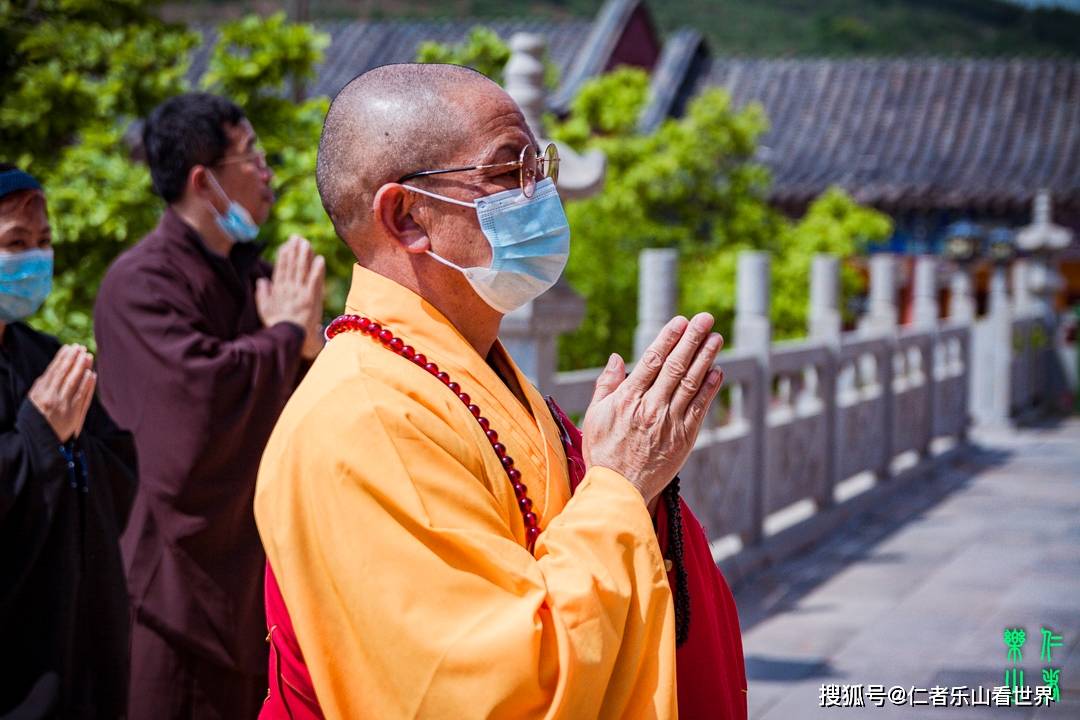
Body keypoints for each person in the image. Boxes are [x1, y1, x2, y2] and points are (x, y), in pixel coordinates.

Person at [255, 64, 746, 719]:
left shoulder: (477, 380)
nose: (541, 195)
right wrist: (620, 486)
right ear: (405, 216)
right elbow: (487, 693)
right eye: (509, 172)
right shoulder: (364, 417)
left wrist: (633, 484)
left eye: (539, 168)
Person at [93, 93, 326, 719]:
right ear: (204, 180)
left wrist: (303, 346)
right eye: (252, 157)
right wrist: (283, 338)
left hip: (259, 575)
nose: (269, 172)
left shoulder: (255, 275)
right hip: (174, 590)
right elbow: (194, 409)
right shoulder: (140, 284)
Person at [0, 164, 137, 718]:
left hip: (70, 641)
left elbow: (116, 464)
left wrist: (70, 447)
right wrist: (38, 436)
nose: (34, 258)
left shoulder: (41, 355)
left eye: (43, 241)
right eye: (15, 242)